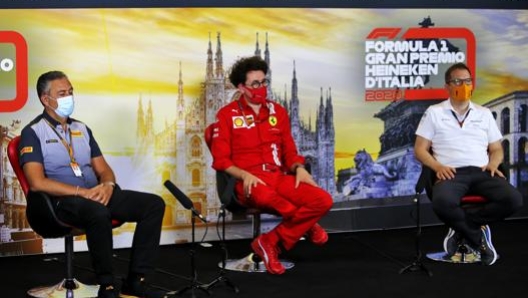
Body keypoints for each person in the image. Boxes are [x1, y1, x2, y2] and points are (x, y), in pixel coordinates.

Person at [19, 71, 168, 298]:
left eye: (70, 92)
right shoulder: (33, 132)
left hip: (95, 193)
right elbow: (37, 182)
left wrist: (107, 185)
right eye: (62, 93)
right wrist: (82, 192)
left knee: (153, 204)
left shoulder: (82, 129)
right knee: (97, 212)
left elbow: (103, 169)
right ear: (45, 99)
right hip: (60, 201)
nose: (69, 97)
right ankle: (106, 285)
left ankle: (136, 282)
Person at [210, 56, 333, 275]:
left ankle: (269, 242)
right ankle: (307, 225)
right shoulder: (227, 115)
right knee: (267, 197)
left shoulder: (278, 112)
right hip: (248, 181)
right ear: (241, 87)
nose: (261, 88)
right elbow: (221, 160)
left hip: (277, 177)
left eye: (264, 82)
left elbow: (289, 151)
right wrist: (243, 175)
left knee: (322, 199)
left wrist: (299, 168)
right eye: (255, 84)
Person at [414, 62, 523, 265]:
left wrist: (494, 163)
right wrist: (438, 167)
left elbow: (497, 148)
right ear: (447, 86)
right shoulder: (434, 112)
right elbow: (420, 149)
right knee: (442, 203)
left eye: (467, 81)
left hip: (482, 171)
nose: (463, 85)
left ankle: (461, 227)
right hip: (450, 172)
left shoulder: (483, 113)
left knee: (514, 200)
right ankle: (479, 238)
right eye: (457, 81)